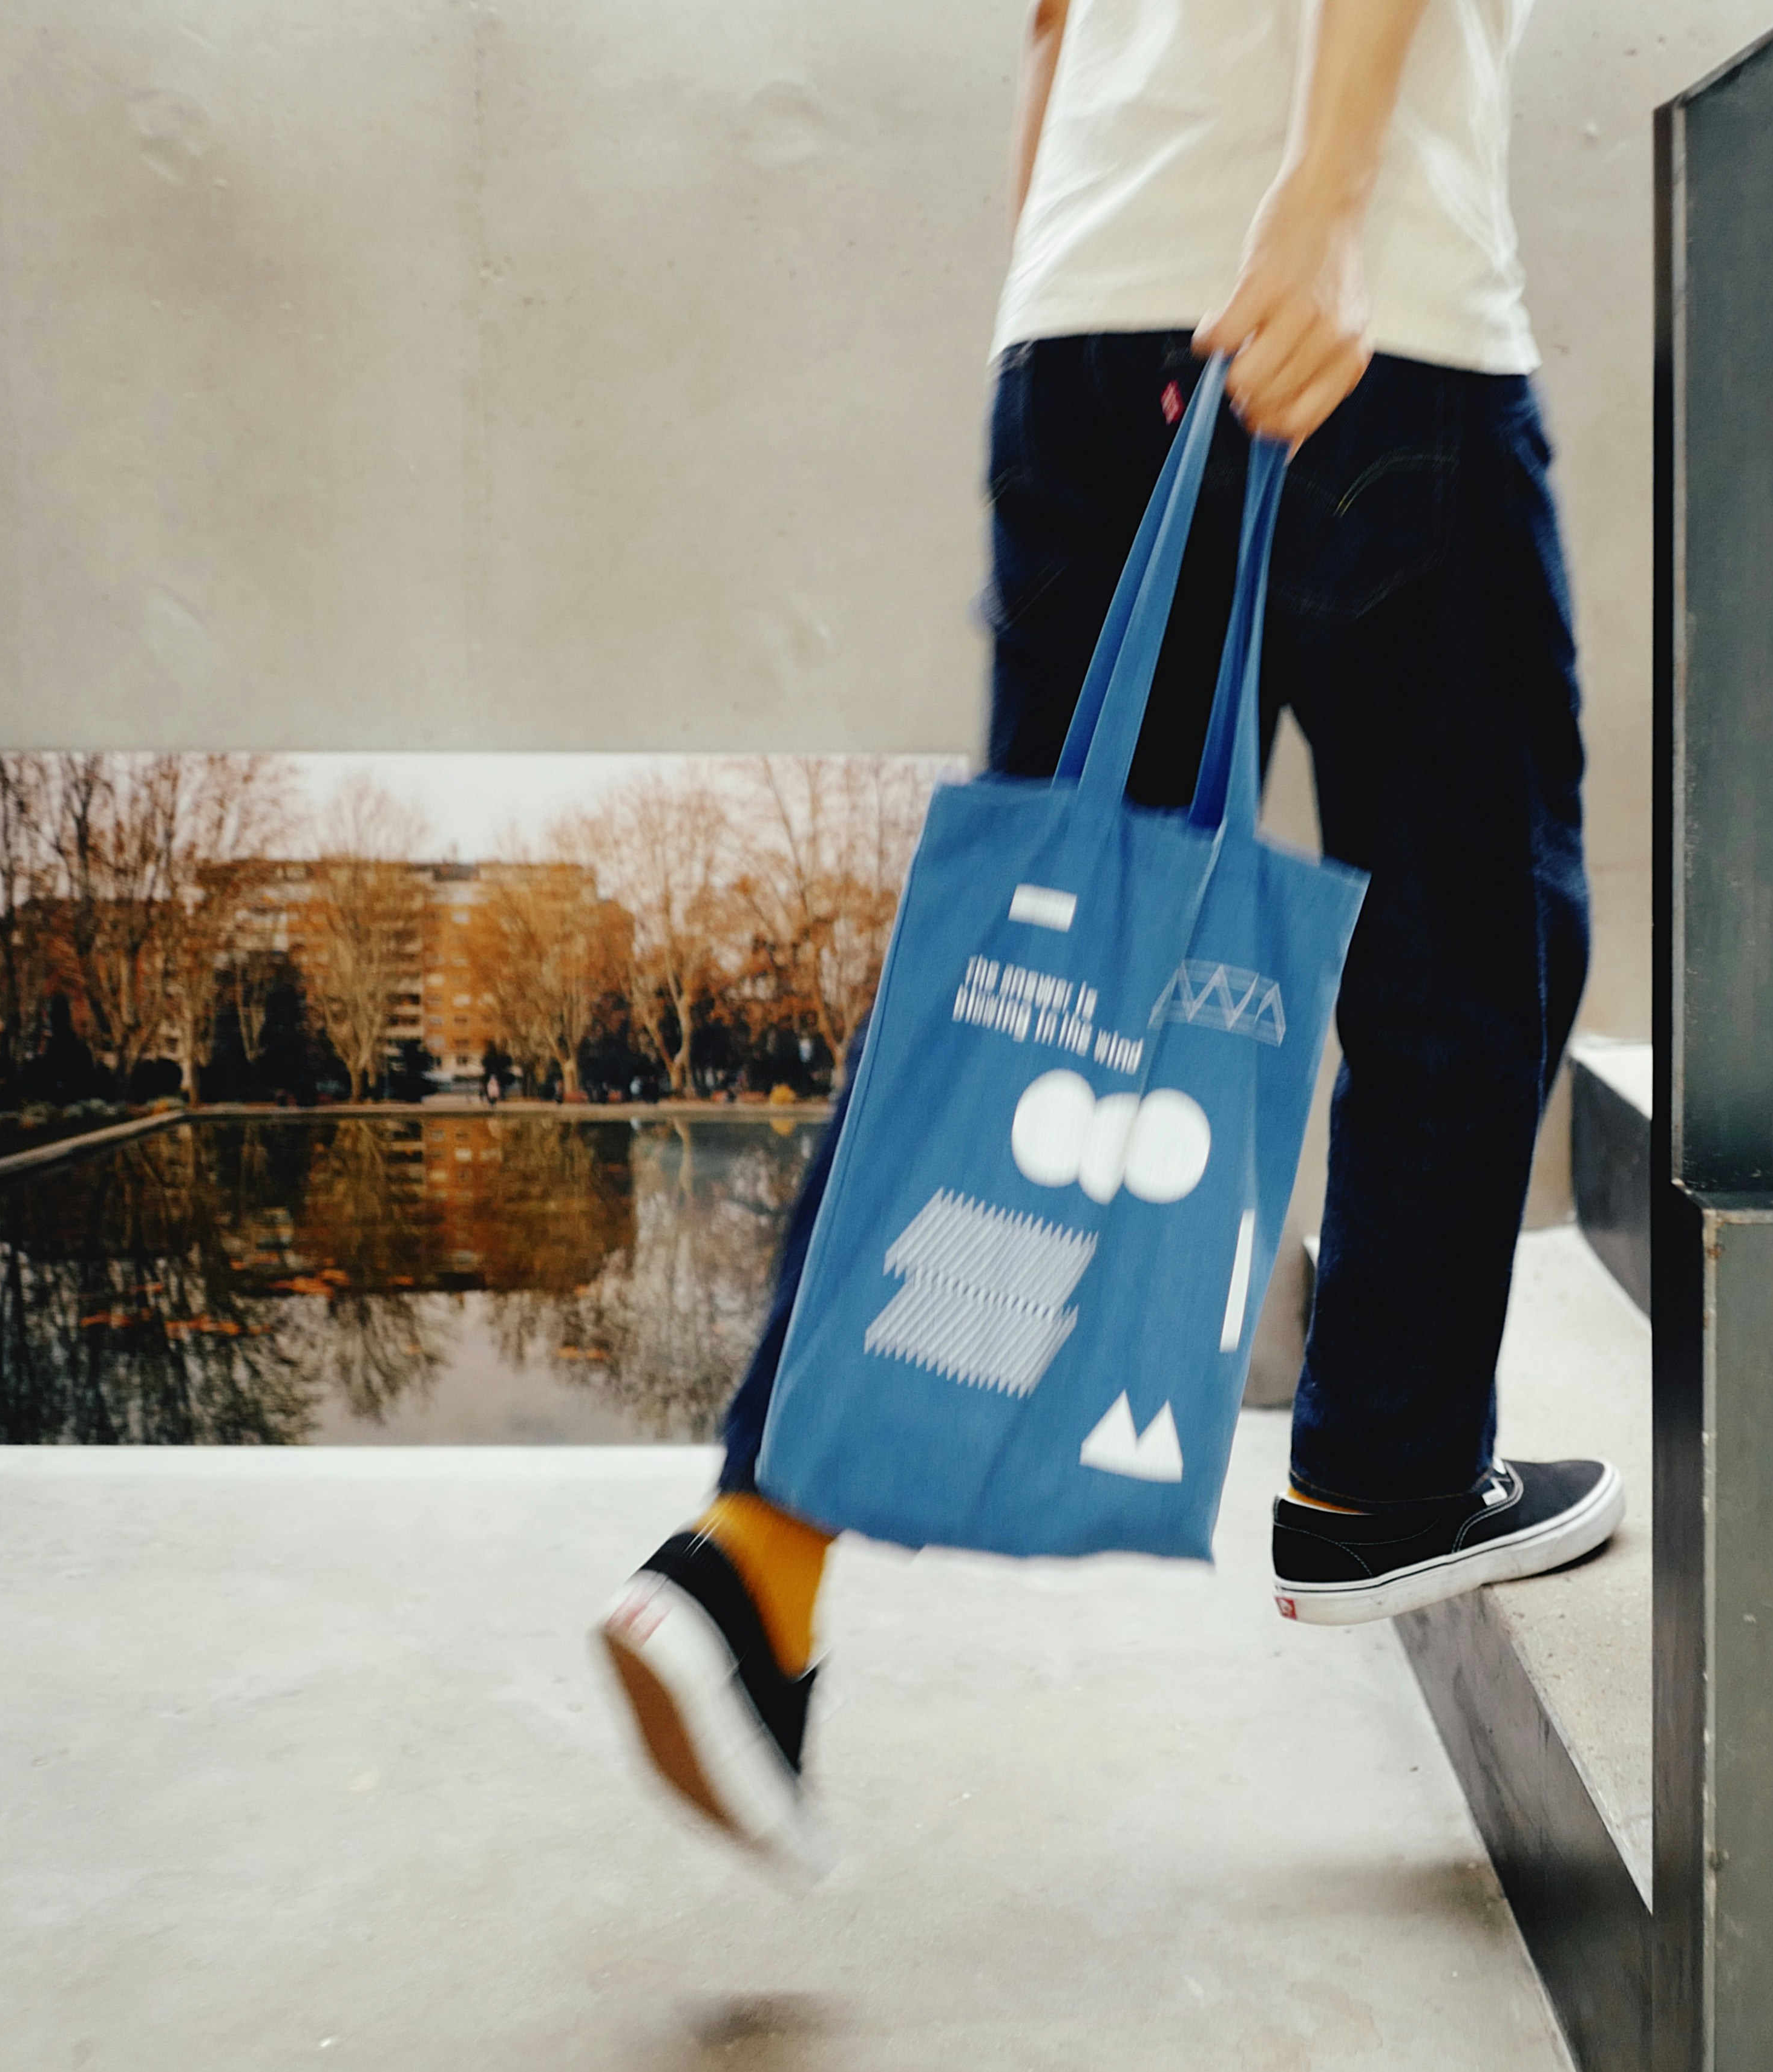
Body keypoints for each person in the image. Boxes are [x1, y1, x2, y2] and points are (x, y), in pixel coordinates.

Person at [594, 0, 1613, 1863]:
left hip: (1081, 326)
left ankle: (759, 1553)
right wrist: (1314, 201)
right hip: (1353, 315)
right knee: (1476, 933)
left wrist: (1062, 291)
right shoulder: (1332, 254)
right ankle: (1384, 1472)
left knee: (1032, 983)